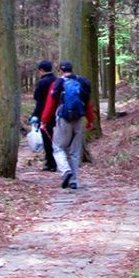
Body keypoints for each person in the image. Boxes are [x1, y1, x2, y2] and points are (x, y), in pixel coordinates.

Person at [40, 61, 94, 189]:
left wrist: (44, 120)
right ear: (71, 69)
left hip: (63, 120)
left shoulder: (58, 83)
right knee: (74, 152)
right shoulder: (81, 82)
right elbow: (87, 103)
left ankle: (65, 171)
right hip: (79, 119)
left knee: (58, 148)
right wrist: (90, 120)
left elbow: (50, 104)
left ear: (60, 70)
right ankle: (74, 181)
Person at [31, 60, 58, 172]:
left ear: (41, 70)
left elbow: (39, 100)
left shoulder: (42, 83)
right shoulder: (57, 80)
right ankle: (57, 161)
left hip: (45, 114)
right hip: (57, 113)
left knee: (47, 139)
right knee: (56, 139)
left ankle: (50, 163)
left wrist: (35, 115)